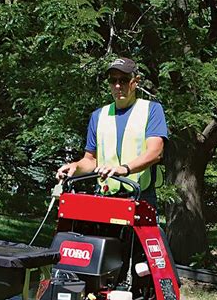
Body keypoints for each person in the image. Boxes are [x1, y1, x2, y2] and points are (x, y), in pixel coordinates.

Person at [56, 57, 168, 207]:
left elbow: (155, 152)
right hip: (105, 195)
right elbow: (91, 160)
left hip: (141, 195)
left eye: (123, 80)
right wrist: (75, 167)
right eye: (112, 80)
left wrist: (124, 169)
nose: (117, 85)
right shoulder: (99, 115)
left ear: (136, 81)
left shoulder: (151, 109)